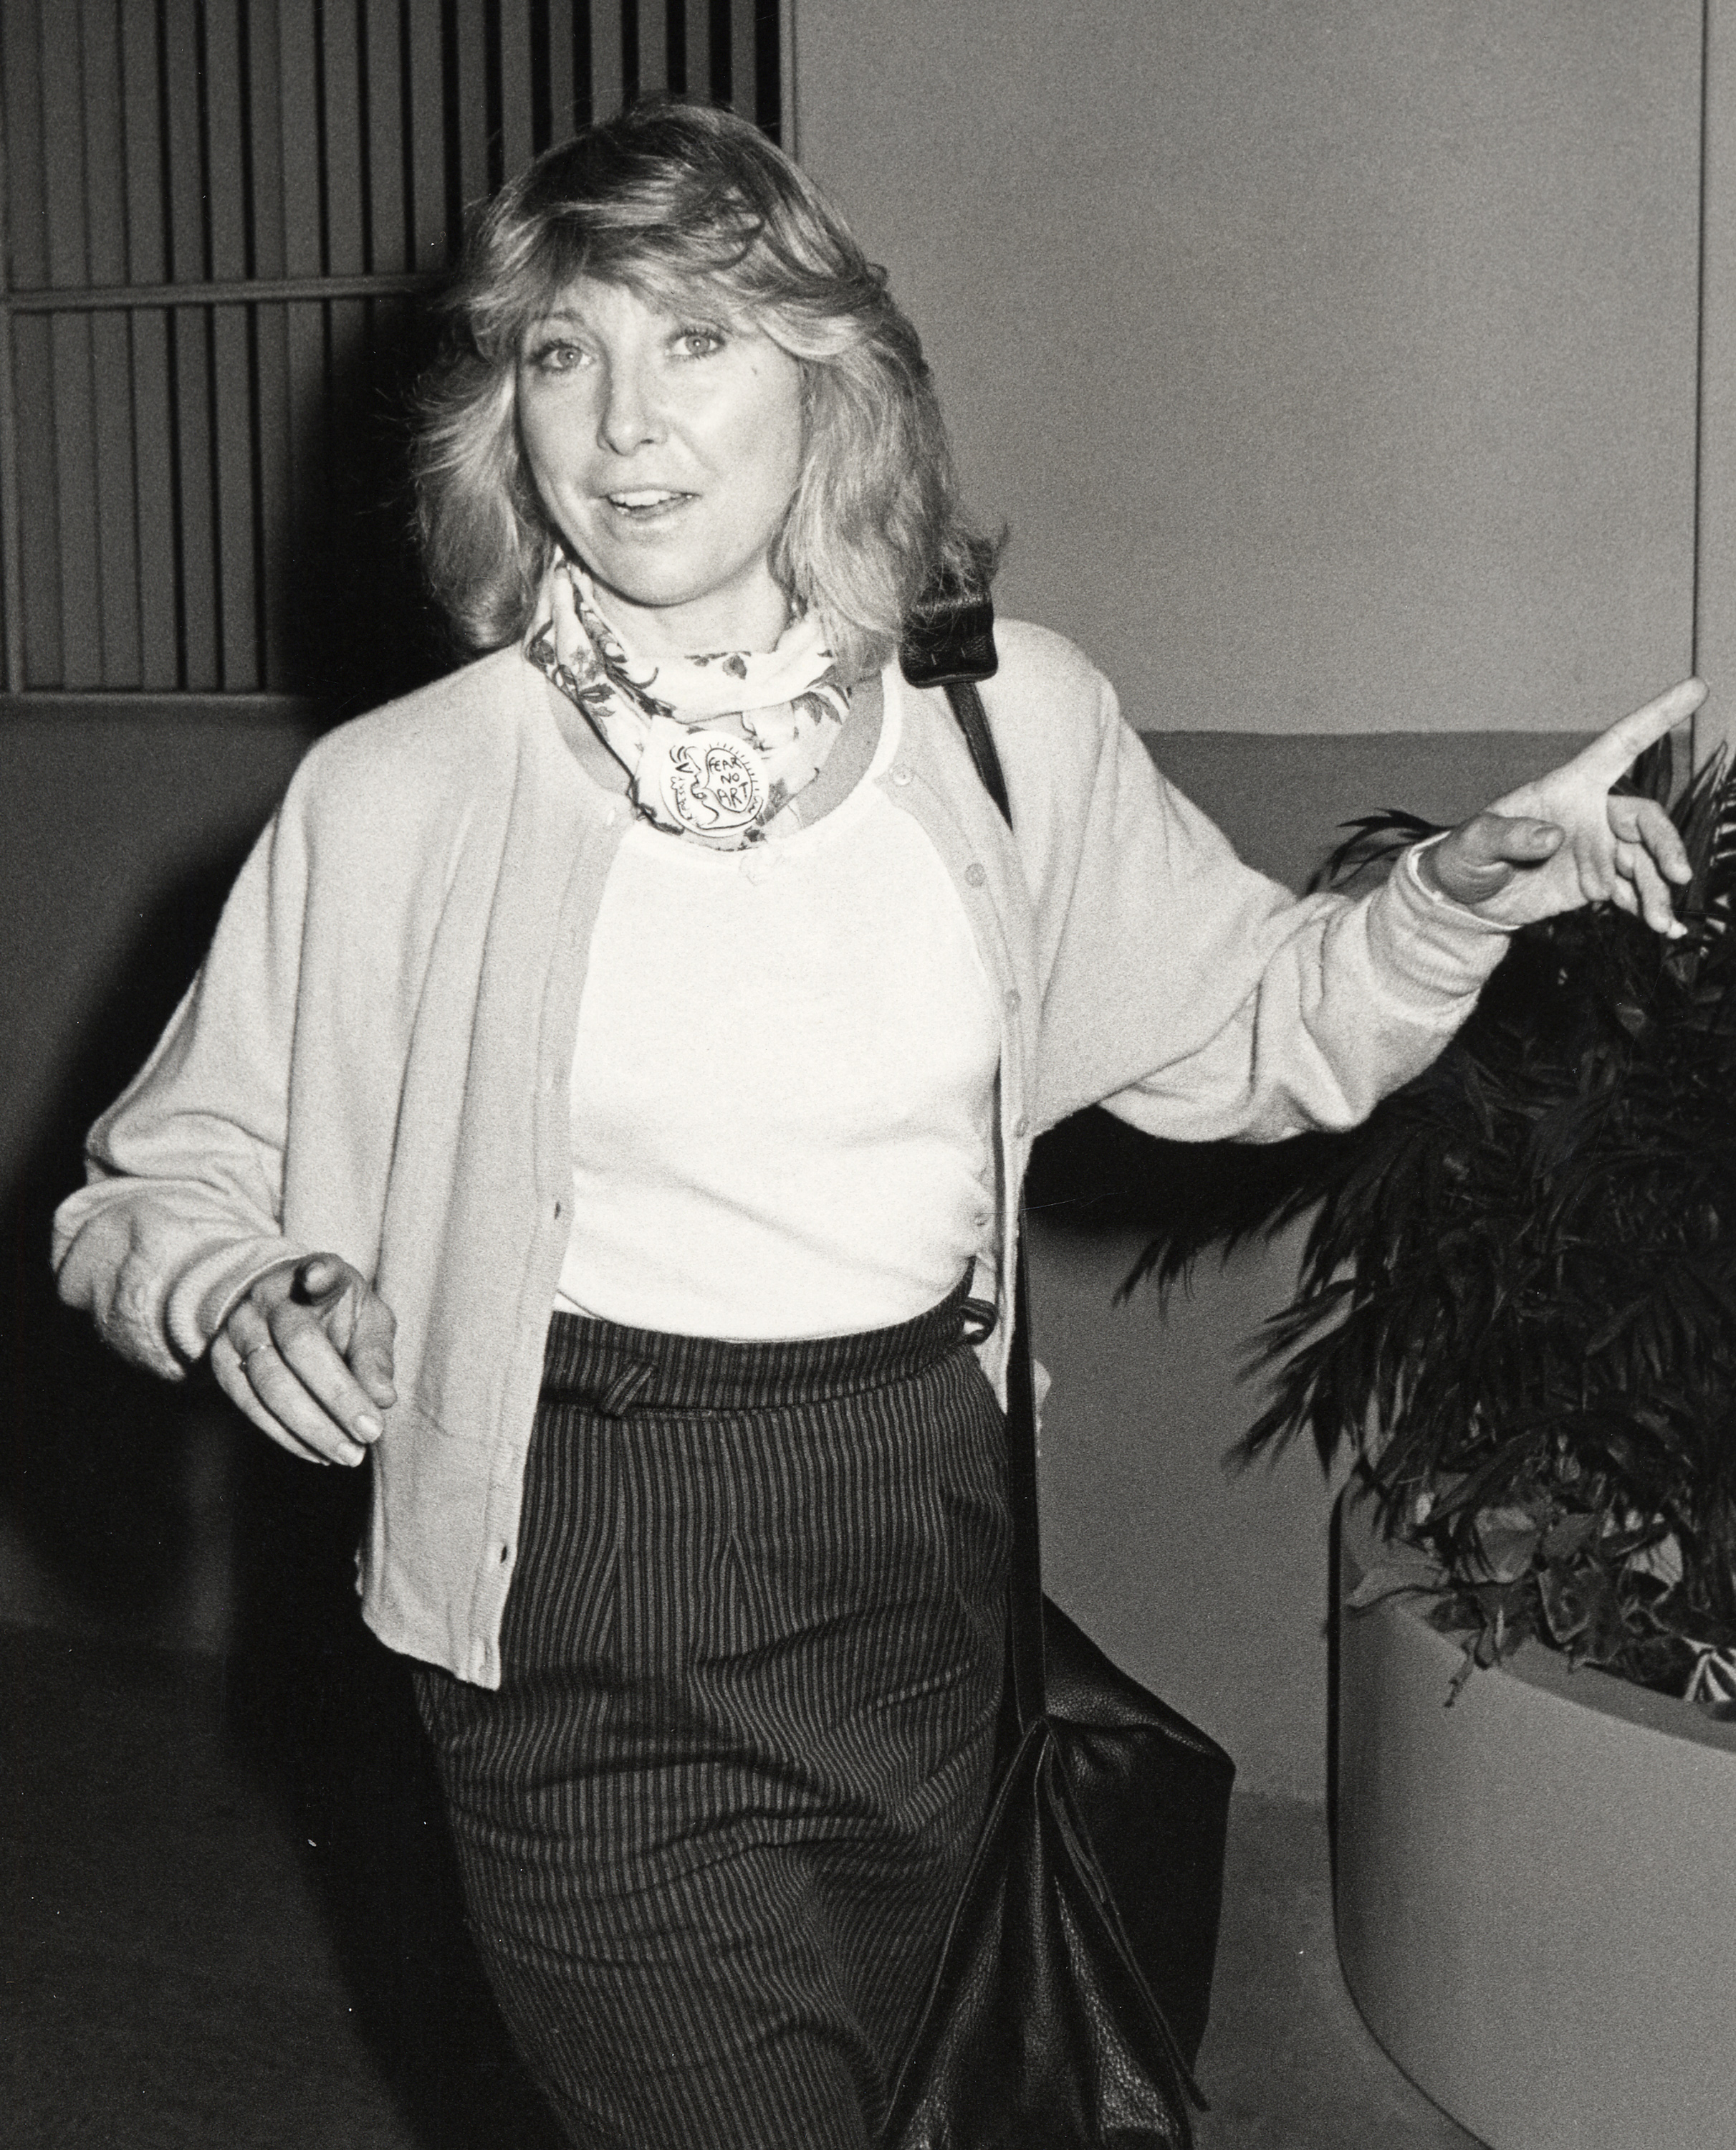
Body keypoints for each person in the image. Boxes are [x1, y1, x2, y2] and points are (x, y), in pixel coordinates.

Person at [52, 100, 1702, 2150]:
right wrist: (237, 1289)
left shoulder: (1011, 726)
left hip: (923, 1559)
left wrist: (1442, 905)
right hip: (583, 1587)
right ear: (511, 410)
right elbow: (158, 1185)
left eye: (703, 342)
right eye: (569, 353)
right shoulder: (407, 793)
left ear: (829, 378)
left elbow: (1260, 1031)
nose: (627, 423)